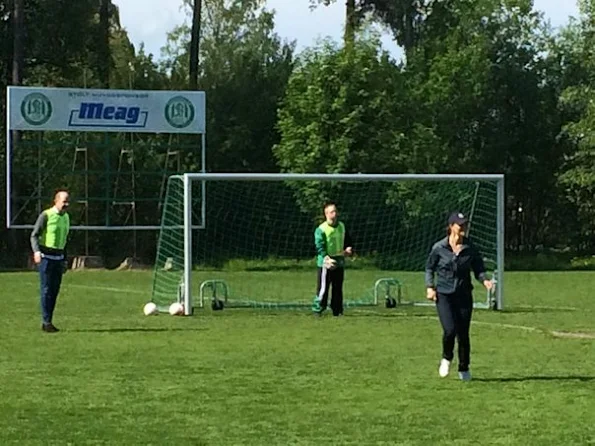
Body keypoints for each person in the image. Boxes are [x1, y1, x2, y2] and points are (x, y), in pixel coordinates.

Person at [425, 211, 493, 381]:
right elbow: (429, 268)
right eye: (460, 225)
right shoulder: (439, 248)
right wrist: (430, 287)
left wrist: (485, 280)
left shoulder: (470, 248)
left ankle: (464, 367)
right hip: (444, 295)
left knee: (463, 333)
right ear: (451, 227)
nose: (464, 228)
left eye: (465, 225)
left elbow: (479, 269)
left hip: (463, 295)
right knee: (450, 330)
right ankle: (446, 358)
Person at [30, 189, 71, 333]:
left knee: (54, 290)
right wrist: (36, 252)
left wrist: (65, 260)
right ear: (56, 201)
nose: (66, 204)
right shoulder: (46, 215)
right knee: (46, 289)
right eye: (64, 201)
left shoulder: (66, 217)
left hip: (58, 258)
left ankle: (49, 321)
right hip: (46, 258)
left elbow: (64, 240)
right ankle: (46, 321)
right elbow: (34, 235)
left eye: (67, 201)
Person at [312, 201, 353, 317]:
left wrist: (348, 248)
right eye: (332, 212)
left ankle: (337, 310)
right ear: (326, 214)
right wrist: (326, 258)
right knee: (323, 288)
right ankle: (318, 309)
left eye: (335, 211)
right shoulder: (321, 229)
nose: (334, 214)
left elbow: (347, 239)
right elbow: (319, 246)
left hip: (339, 260)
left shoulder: (342, 226)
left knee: (338, 287)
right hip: (326, 262)